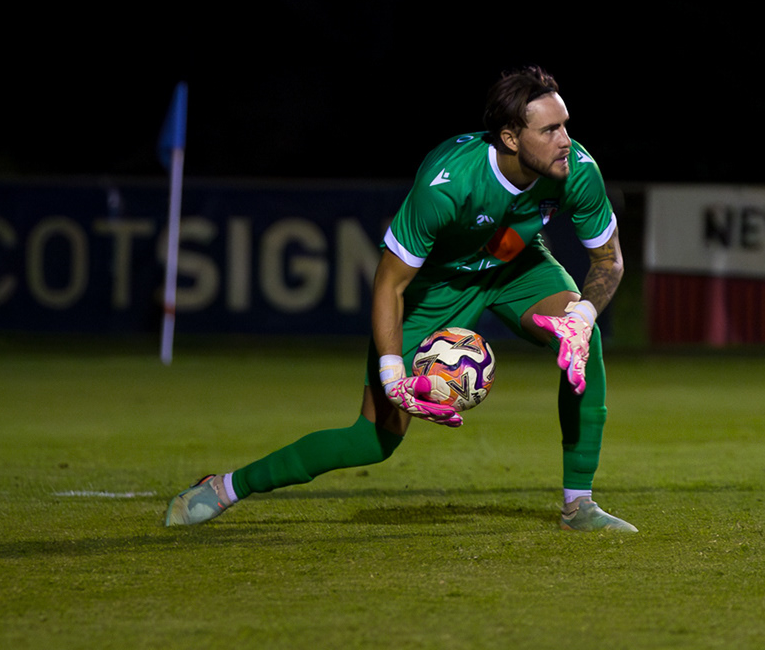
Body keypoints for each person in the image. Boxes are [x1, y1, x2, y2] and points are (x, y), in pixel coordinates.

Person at [165, 66, 636, 531]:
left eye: (566, 125)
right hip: (434, 289)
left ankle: (578, 505)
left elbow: (609, 261)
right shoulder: (449, 182)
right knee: (372, 440)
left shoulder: (577, 170)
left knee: (582, 339)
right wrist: (392, 374)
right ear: (511, 138)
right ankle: (226, 487)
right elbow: (389, 283)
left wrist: (582, 316)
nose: (565, 140)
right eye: (550, 130)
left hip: (514, 262)